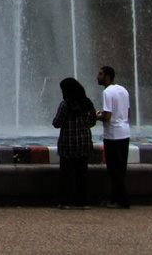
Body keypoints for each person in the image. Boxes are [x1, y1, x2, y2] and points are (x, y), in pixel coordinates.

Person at [52, 76, 97, 208]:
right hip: (83, 143)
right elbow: (92, 122)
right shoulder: (87, 103)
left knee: (66, 174)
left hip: (68, 143)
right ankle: (83, 202)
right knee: (82, 173)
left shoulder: (66, 104)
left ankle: (65, 201)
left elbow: (57, 123)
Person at [97, 64, 131, 208]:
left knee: (114, 169)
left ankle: (122, 201)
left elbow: (107, 116)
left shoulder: (107, 93)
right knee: (121, 168)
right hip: (124, 132)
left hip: (113, 135)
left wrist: (97, 116)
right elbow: (128, 113)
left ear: (107, 76)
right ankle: (114, 199)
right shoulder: (123, 90)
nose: (97, 77)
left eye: (100, 74)